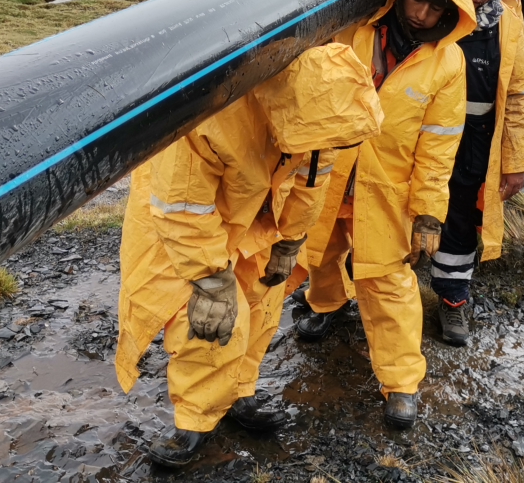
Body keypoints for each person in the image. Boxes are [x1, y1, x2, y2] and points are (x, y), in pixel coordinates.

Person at [115, 43, 383, 468]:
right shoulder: (210, 115)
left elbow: (313, 178)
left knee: (262, 303)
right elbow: (182, 207)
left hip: (260, 218)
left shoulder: (323, 116)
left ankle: (240, 390)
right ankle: (195, 420)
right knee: (205, 320)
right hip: (183, 227)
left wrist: (290, 241)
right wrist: (210, 277)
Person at [294, 0, 475, 430]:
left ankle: (400, 383)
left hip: (387, 187)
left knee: (389, 282)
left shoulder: (448, 63)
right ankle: (324, 303)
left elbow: (440, 145)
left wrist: (429, 212)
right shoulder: (354, 30)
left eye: (437, 4)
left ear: (451, 9)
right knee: (322, 247)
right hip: (329, 172)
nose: (422, 12)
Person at [431, 0, 524, 346]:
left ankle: (452, 300)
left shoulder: (508, 25)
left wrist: (516, 162)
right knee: (388, 211)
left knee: (460, 218)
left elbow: (520, 94)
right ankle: (347, 295)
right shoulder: (428, 8)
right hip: (416, 139)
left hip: (475, 141)